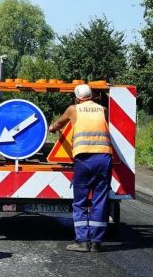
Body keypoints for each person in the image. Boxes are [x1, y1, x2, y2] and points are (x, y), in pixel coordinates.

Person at [48, 84, 113, 253]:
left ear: (77, 98)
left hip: (84, 159)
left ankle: (83, 241)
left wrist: (52, 128)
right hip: (104, 157)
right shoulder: (103, 110)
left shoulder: (73, 109)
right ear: (92, 96)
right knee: (100, 201)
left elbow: (59, 124)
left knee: (80, 201)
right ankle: (97, 242)